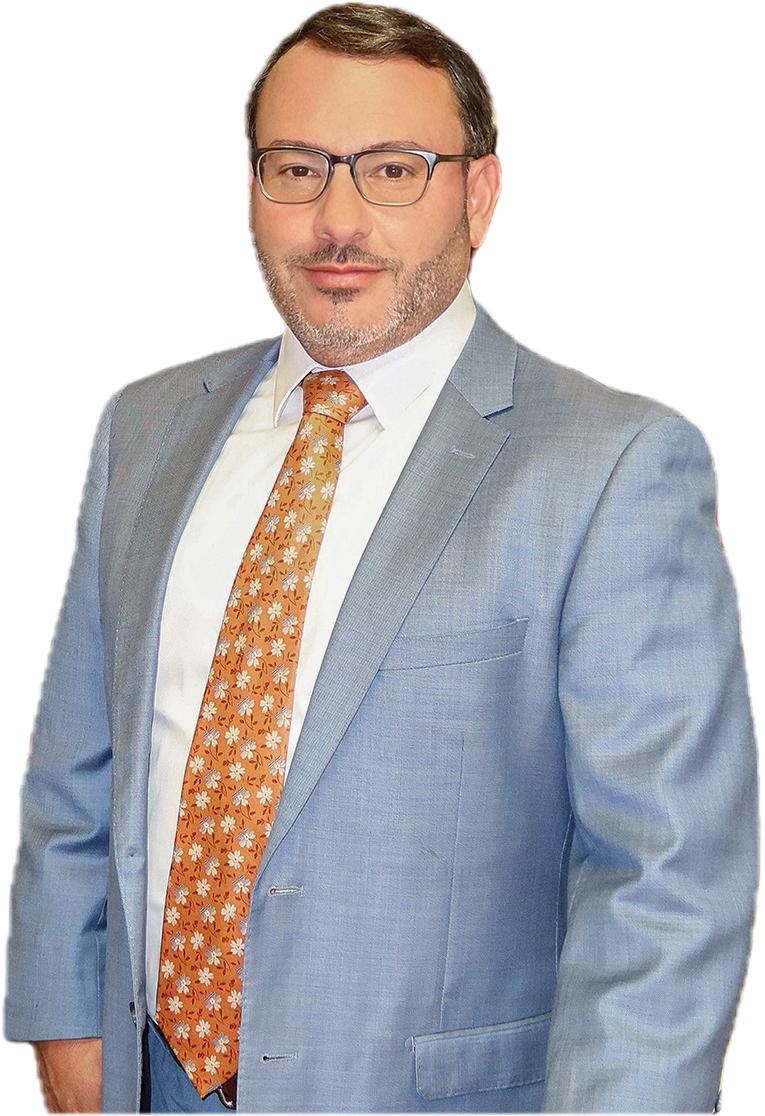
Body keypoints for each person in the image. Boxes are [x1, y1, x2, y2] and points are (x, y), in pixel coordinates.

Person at [2, 4, 759, 1114]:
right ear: (251, 187)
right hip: (145, 1079)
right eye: (298, 167)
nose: (338, 219)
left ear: (480, 193)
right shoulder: (142, 425)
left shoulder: (613, 465)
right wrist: (63, 1020)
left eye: (395, 169)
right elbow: (77, 768)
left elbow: (666, 878)